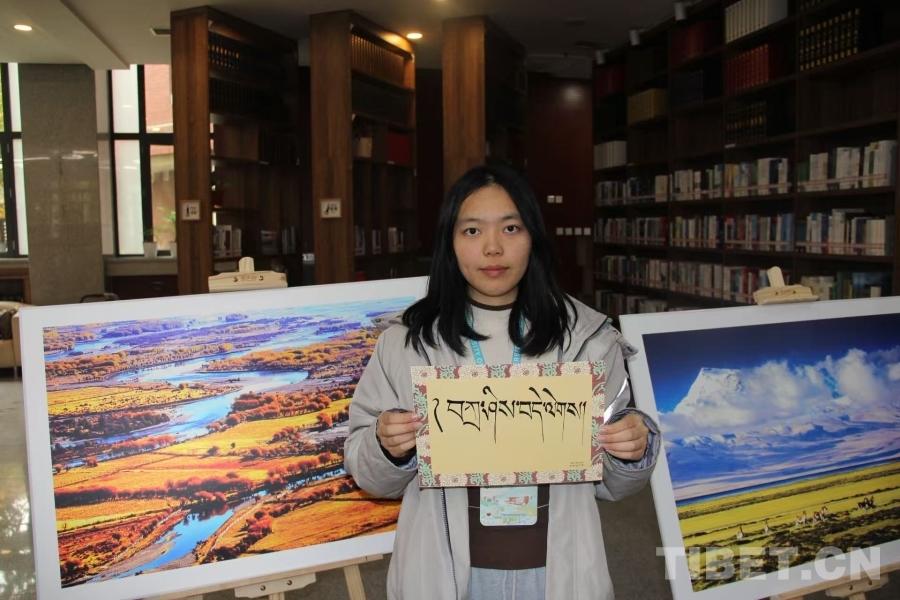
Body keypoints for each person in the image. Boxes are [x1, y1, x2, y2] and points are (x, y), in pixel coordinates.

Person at [344, 164, 660, 600]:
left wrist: (631, 449)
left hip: (558, 574)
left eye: (511, 228)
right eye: (472, 231)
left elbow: (615, 484)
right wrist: (385, 446)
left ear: (533, 237)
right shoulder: (406, 344)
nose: (492, 248)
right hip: (443, 575)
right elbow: (368, 473)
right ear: (450, 242)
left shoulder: (589, 341)